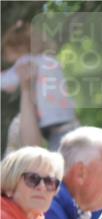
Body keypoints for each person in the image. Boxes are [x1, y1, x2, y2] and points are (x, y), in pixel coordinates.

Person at [1, 20, 79, 151]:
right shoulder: (51, 61)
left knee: (56, 157)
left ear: (18, 47)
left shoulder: (27, 61)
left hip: (51, 123)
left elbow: (8, 83)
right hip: (68, 118)